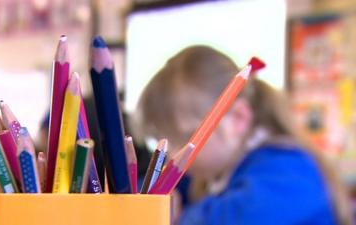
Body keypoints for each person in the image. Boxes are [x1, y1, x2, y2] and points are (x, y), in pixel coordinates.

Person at [135, 46, 353, 225]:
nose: (174, 154)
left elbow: (236, 218)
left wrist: (170, 216)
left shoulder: (289, 170)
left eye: (183, 138)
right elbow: (158, 186)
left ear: (237, 119)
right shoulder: (216, 170)